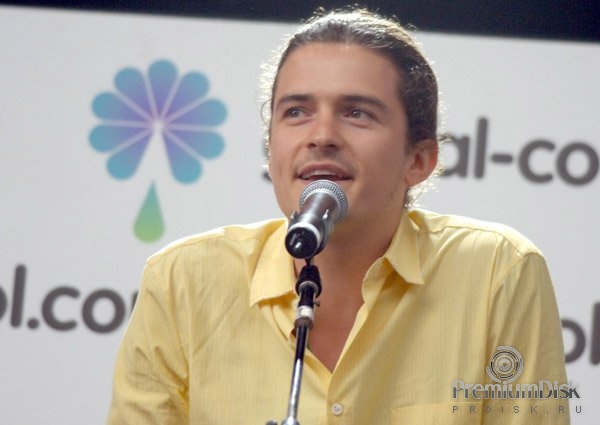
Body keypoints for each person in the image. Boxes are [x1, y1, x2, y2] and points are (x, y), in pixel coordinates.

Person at [107, 7, 570, 424]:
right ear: (271, 148)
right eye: (296, 111)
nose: (322, 135)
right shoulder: (182, 280)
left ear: (418, 160)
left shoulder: (498, 272)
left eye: (357, 113)